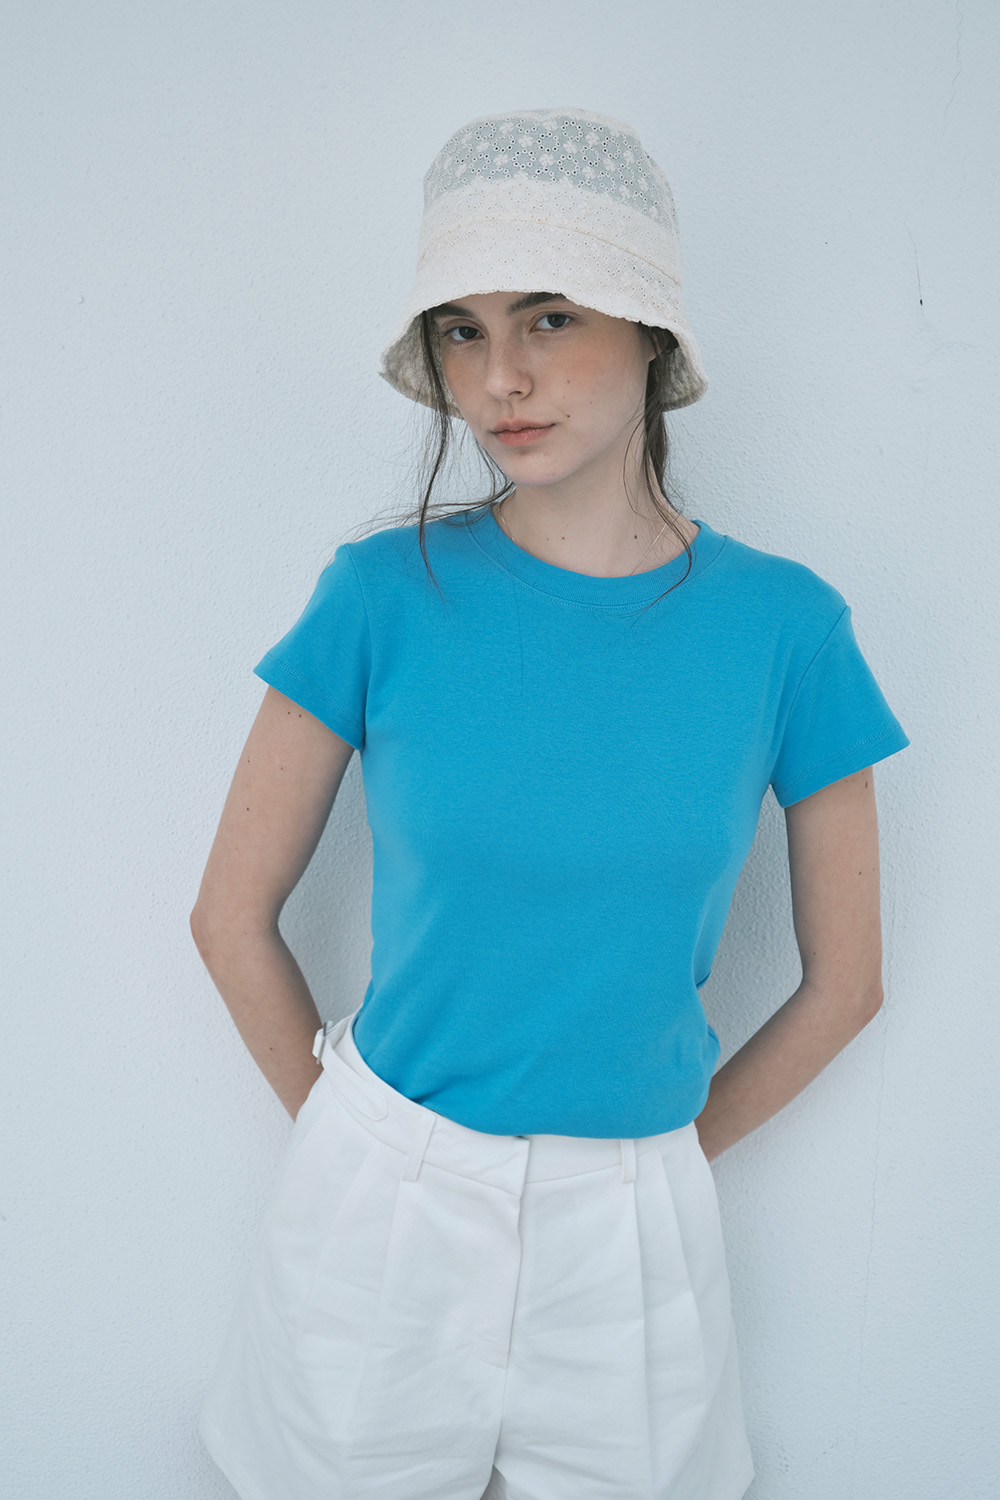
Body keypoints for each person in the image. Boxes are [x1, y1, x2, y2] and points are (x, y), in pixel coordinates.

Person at [190, 107, 910, 1500]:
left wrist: (649, 1167)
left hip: (634, 1242)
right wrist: (361, 1153)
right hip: (375, 1217)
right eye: (461, 331)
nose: (500, 376)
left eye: (551, 316)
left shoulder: (787, 629)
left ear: (652, 332)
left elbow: (848, 984)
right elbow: (229, 916)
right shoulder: (380, 595)